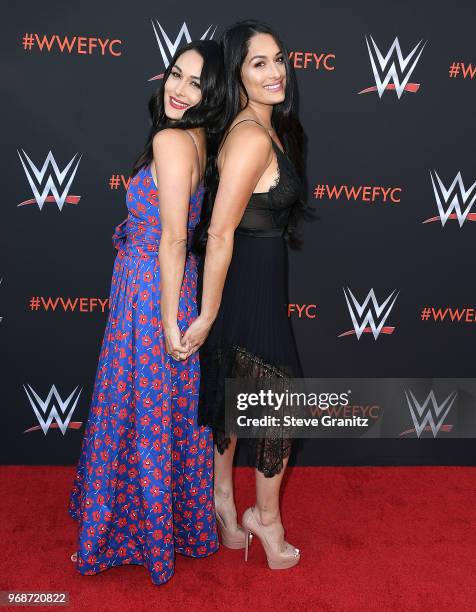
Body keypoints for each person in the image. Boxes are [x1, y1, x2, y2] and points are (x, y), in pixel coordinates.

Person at [68, 40, 225, 586]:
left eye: (195, 83)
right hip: (161, 292)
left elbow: (176, 240)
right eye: (175, 75)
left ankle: (131, 532)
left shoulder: (171, 139)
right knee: (159, 416)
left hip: (151, 296)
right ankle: (168, 528)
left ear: (213, 93)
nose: (179, 90)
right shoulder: (199, 140)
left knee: (139, 413)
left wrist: (164, 321)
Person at [183, 20, 313, 570]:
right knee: (279, 403)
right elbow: (218, 231)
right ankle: (265, 519)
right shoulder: (251, 135)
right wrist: (209, 312)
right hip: (244, 284)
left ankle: (224, 504)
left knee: (238, 399)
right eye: (259, 63)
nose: (276, 70)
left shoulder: (267, 126)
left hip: (258, 278)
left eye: (279, 58)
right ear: (237, 74)